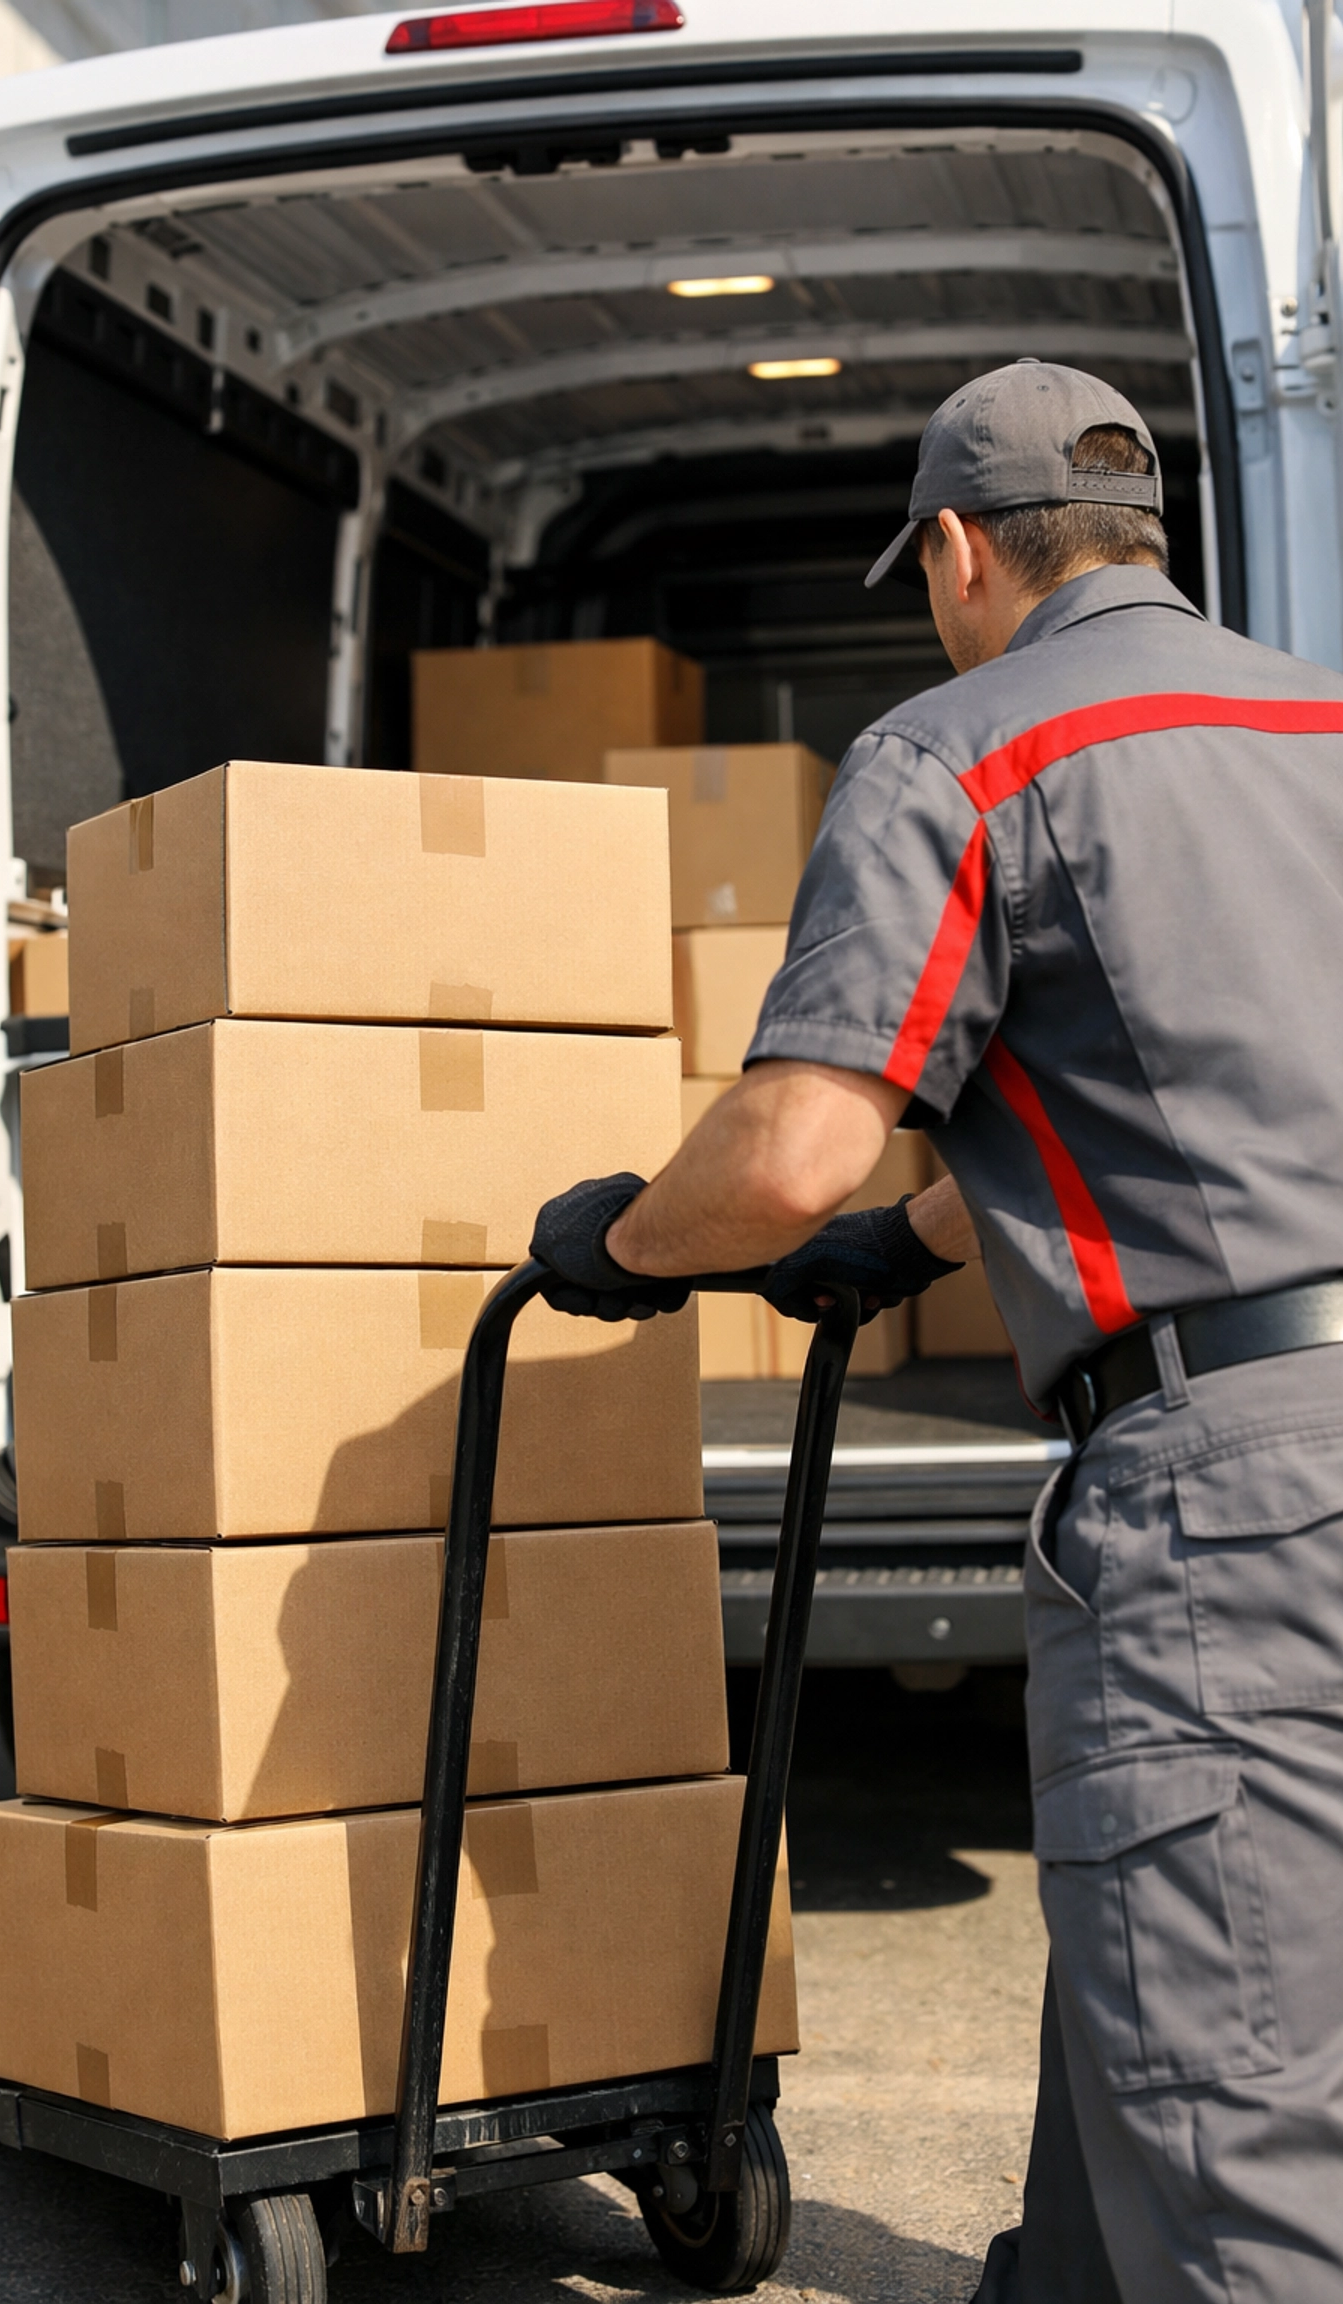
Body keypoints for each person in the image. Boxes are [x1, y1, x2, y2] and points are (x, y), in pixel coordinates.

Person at [529, 361, 1343, 2303]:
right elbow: (1190, 1092)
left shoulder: (963, 753)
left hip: (1239, 1515)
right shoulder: (1319, 723)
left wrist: (626, 1248)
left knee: (1242, 2144)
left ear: (962, 550)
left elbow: (789, 1150)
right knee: (1179, 2009)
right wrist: (912, 1241)